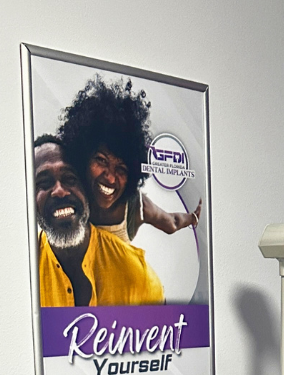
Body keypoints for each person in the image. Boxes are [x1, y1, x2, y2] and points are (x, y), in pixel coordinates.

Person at [57, 76, 202, 243]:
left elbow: (172, 223)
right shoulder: (69, 193)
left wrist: (193, 218)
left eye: (121, 169)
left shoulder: (135, 207)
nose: (111, 177)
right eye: (101, 160)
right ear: (83, 156)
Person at [33, 136, 164, 307]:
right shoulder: (20, 274)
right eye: (44, 182)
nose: (59, 191)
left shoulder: (139, 278)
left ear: (86, 187)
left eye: (70, 178)